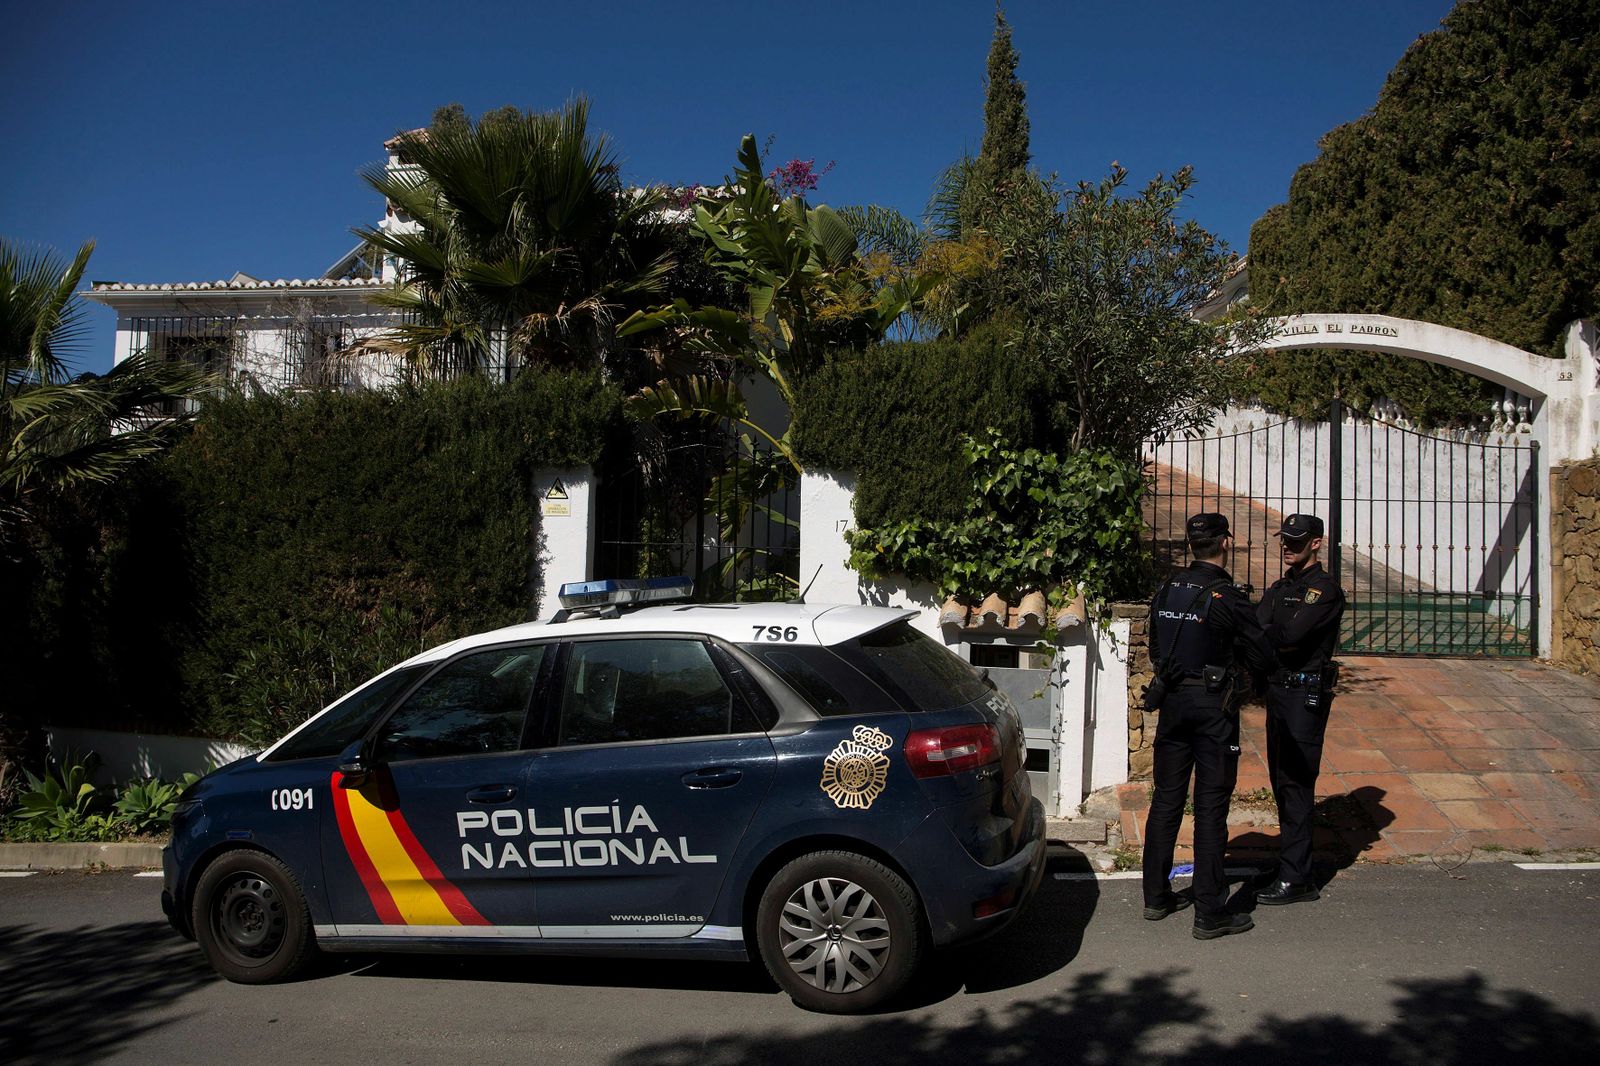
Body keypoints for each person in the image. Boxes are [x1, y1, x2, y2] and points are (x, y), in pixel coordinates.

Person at [1142, 512, 1273, 940]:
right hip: (1213, 705)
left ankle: (1156, 897)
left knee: (1166, 800)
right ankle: (1210, 911)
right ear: (1226, 542)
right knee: (1211, 807)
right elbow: (1261, 653)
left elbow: (1156, 648)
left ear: (1191, 545)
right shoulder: (1227, 596)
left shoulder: (1168, 588)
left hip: (1174, 702)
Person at [1255, 513, 1346, 905]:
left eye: (1297, 540)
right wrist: (1275, 629)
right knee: (1281, 780)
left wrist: (1275, 628)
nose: (1287, 546)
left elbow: (1290, 636)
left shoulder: (1324, 590)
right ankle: (1292, 863)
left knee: (1295, 783)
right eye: (1285, 540)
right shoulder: (1282, 586)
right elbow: (1258, 630)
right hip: (1279, 692)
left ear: (1316, 543)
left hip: (1304, 695)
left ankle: (1298, 878)